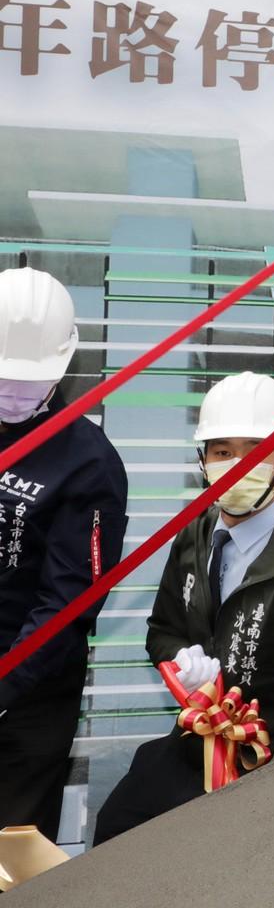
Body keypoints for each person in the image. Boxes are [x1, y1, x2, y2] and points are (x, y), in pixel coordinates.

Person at [94, 371, 274, 842]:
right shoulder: (196, 532)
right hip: (197, 741)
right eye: (222, 451)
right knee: (119, 826)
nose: (236, 464)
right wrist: (185, 669)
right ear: (203, 460)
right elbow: (163, 629)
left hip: (266, 760)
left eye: (255, 450)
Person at [0, 269, 129, 839]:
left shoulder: (87, 463)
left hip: (27, 695)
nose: (13, 392)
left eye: (29, 381)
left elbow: (68, 605)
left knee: (11, 853)